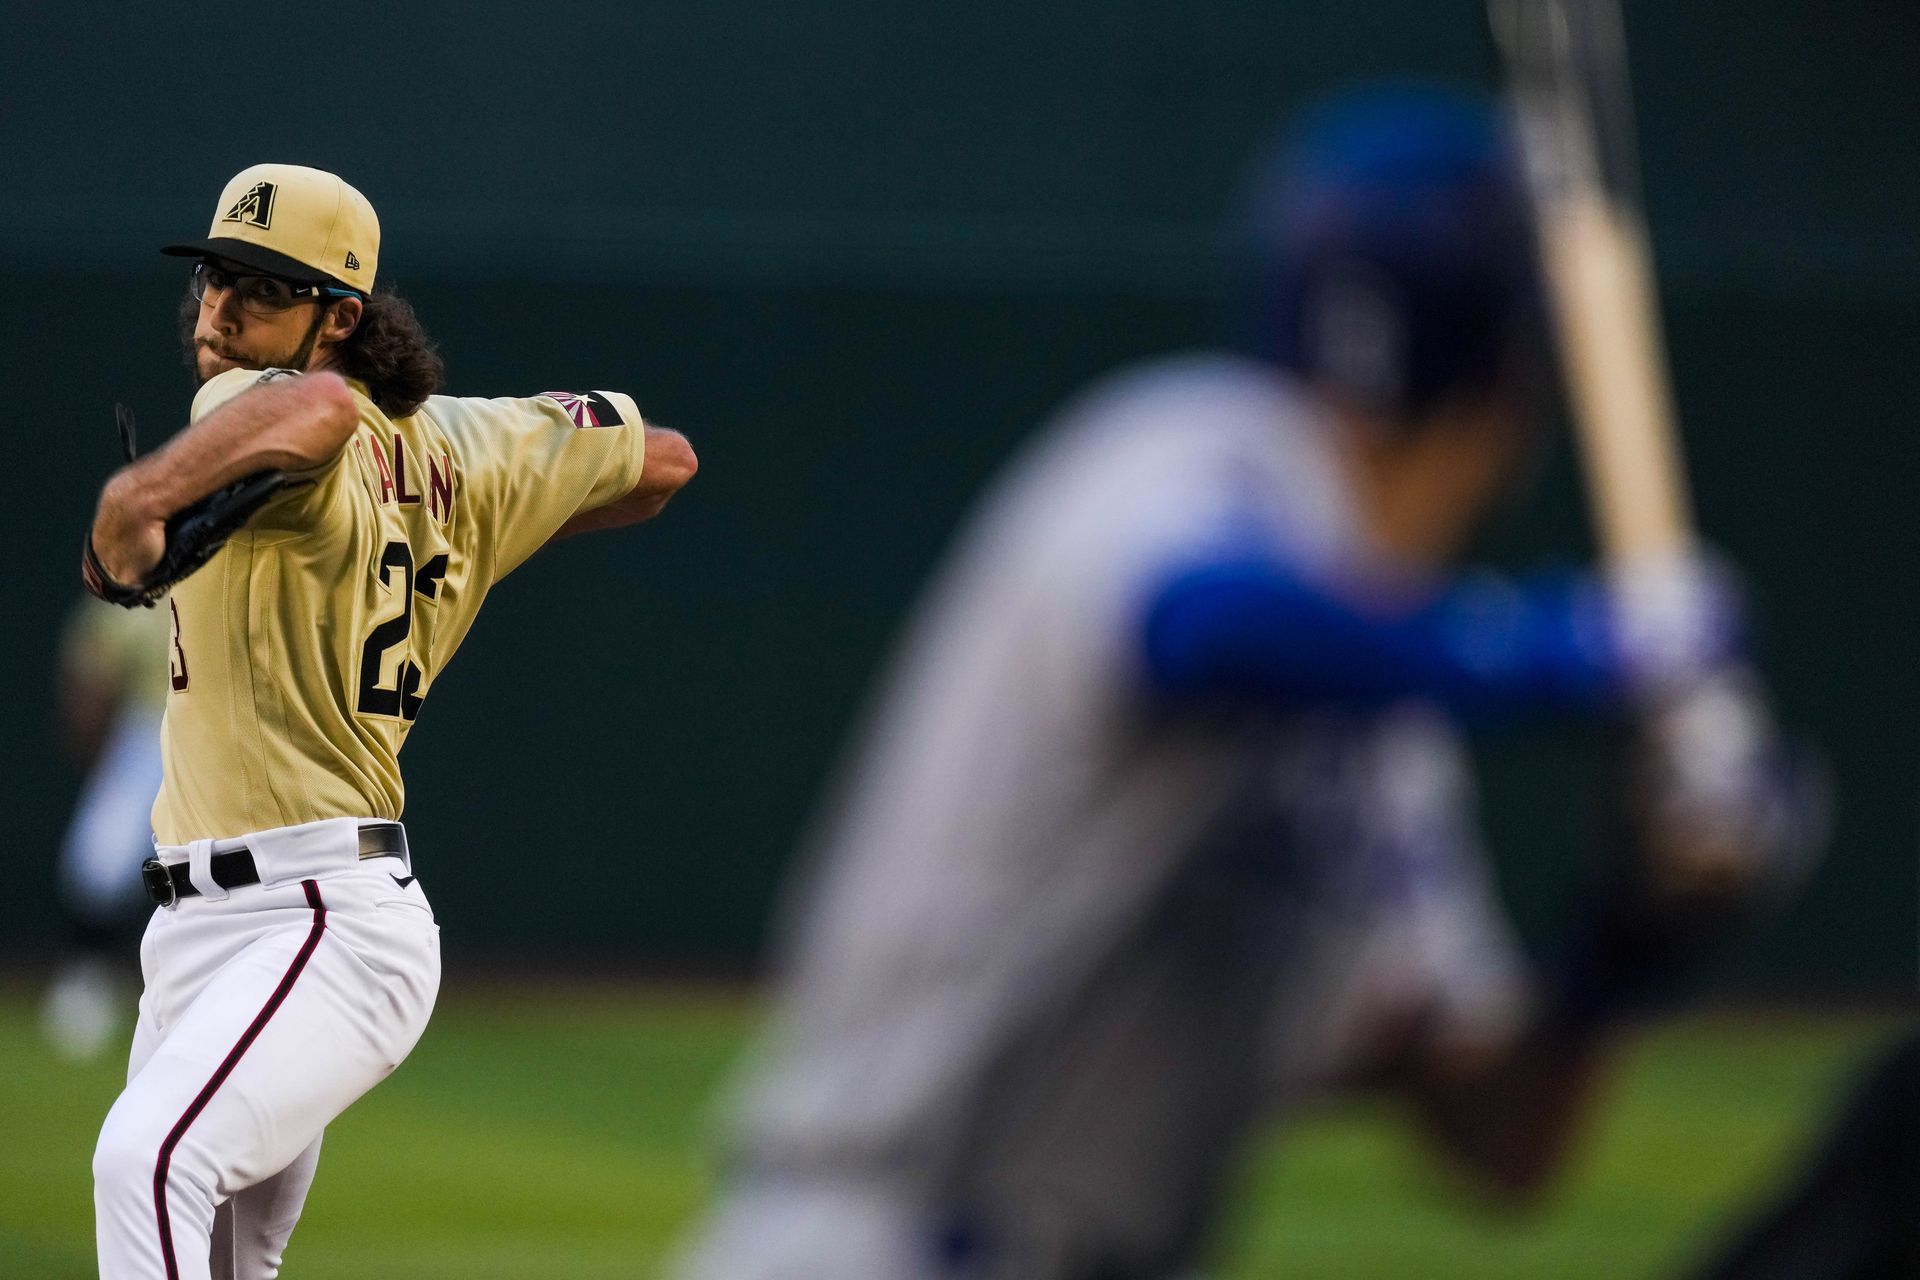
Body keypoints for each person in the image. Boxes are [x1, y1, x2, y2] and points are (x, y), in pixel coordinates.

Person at [673, 84, 1811, 1280]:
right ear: (1505, 403)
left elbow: (1498, 1144)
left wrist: (1618, 949)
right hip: (875, 1240)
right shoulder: (1191, 449)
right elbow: (1201, 625)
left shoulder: (1384, 719)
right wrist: (1552, 651)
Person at [83, 162, 698, 1280]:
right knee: (217, 1257)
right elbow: (660, 463)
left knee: (145, 1161)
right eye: (216, 278)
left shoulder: (258, 397)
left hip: (317, 917)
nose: (222, 312)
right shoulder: (473, 446)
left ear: (341, 318)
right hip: (210, 930)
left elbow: (318, 406)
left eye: (262, 290)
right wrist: (481, 531)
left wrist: (133, 502)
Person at [41, 597, 171, 1062]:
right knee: (97, 861)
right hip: (145, 732)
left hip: (215, 731)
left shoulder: (235, 565)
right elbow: (92, 668)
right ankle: (88, 981)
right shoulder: (146, 575)